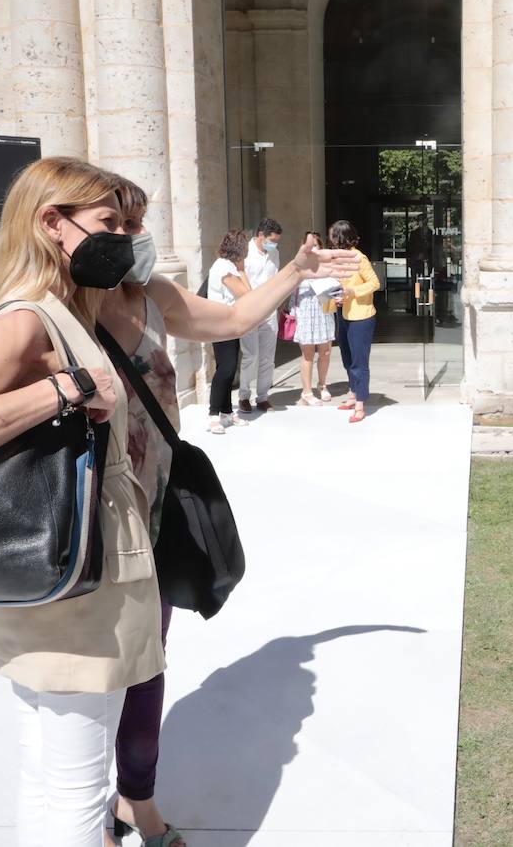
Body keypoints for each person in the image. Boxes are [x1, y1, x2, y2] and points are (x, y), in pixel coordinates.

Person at [0, 157, 163, 846]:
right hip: (73, 587)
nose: (122, 236)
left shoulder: (57, 307)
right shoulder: (24, 318)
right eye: (106, 223)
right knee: (79, 789)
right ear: (52, 223)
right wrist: (71, 388)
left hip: (60, 572)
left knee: (46, 767)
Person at [100, 185, 356, 846]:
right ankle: (83, 813)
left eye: (137, 222)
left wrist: (297, 272)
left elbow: (233, 319)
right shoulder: (51, 309)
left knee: (146, 668)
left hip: (150, 516)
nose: (132, 234)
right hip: (84, 524)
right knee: (87, 683)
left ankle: (135, 800)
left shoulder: (150, 292)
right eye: (115, 222)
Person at [329, 219, 378, 423]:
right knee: (347, 357)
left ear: (340, 237)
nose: (330, 239)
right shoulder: (338, 259)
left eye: (332, 235)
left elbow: (375, 283)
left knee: (359, 361)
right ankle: (353, 393)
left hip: (361, 316)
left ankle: (360, 404)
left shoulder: (360, 258)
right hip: (344, 313)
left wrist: (352, 291)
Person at [206, 230, 251, 433]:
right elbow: (247, 294)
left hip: (228, 323)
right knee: (225, 369)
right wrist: (242, 271)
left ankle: (226, 413)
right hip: (220, 323)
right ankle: (214, 414)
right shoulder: (224, 267)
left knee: (229, 368)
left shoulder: (225, 265)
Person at [238, 218, 282, 413]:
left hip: (269, 311)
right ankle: (244, 395)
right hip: (249, 310)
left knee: (268, 358)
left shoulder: (274, 253)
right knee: (250, 356)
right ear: (261, 235)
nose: (274, 244)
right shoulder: (244, 253)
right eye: (272, 240)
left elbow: (276, 279)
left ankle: (263, 396)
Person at [290, 230, 336, 405]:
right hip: (305, 314)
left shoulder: (326, 267)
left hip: (323, 312)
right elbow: (291, 292)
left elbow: (331, 292)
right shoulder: (298, 266)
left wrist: (330, 294)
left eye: (316, 245)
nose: (314, 249)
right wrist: (293, 314)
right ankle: (307, 392)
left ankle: (322, 385)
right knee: (307, 354)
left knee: (325, 352)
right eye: (310, 245)